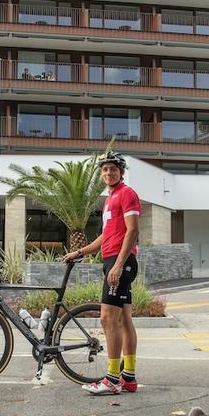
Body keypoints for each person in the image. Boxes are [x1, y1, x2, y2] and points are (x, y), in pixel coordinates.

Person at [64, 151, 140, 395]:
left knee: (107, 318)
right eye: (105, 169)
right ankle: (127, 377)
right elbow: (106, 236)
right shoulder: (110, 198)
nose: (109, 173)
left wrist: (118, 264)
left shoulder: (127, 194)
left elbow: (132, 231)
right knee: (124, 320)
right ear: (101, 173)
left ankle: (111, 380)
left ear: (121, 172)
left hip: (121, 262)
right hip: (113, 260)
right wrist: (79, 252)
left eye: (113, 169)